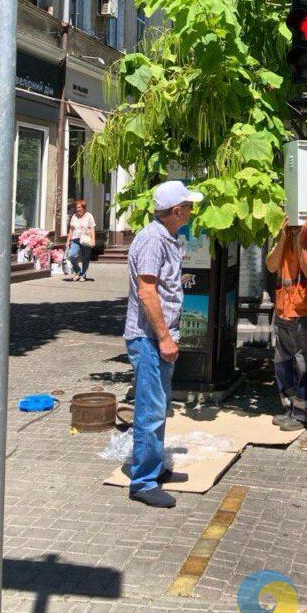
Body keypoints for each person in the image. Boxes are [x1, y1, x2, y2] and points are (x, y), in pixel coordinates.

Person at [123, 180, 203, 508]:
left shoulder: (165, 237)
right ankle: (142, 481)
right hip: (149, 339)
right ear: (175, 211)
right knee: (151, 410)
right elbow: (146, 292)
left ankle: (152, 469)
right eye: (187, 206)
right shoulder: (153, 240)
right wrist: (165, 337)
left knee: (158, 406)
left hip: (157, 338)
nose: (191, 211)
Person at [266, 215, 307, 432]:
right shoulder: (285, 234)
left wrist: (301, 241)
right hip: (284, 308)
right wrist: (284, 238)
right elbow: (272, 266)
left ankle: (304, 415)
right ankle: (290, 408)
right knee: (282, 361)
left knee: (304, 363)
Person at [65, 199, 96, 281]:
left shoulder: (89, 216)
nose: (77, 209)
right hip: (75, 239)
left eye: (79, 207)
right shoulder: (74, 217)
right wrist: (68, 241)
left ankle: (83, 275)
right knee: (72, 255)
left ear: (84, 208)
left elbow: (92, 228)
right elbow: (71, 230)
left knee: (85, 258)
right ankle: (77, 270)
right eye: (76, 207)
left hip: (86, 239)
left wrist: (93, 240)